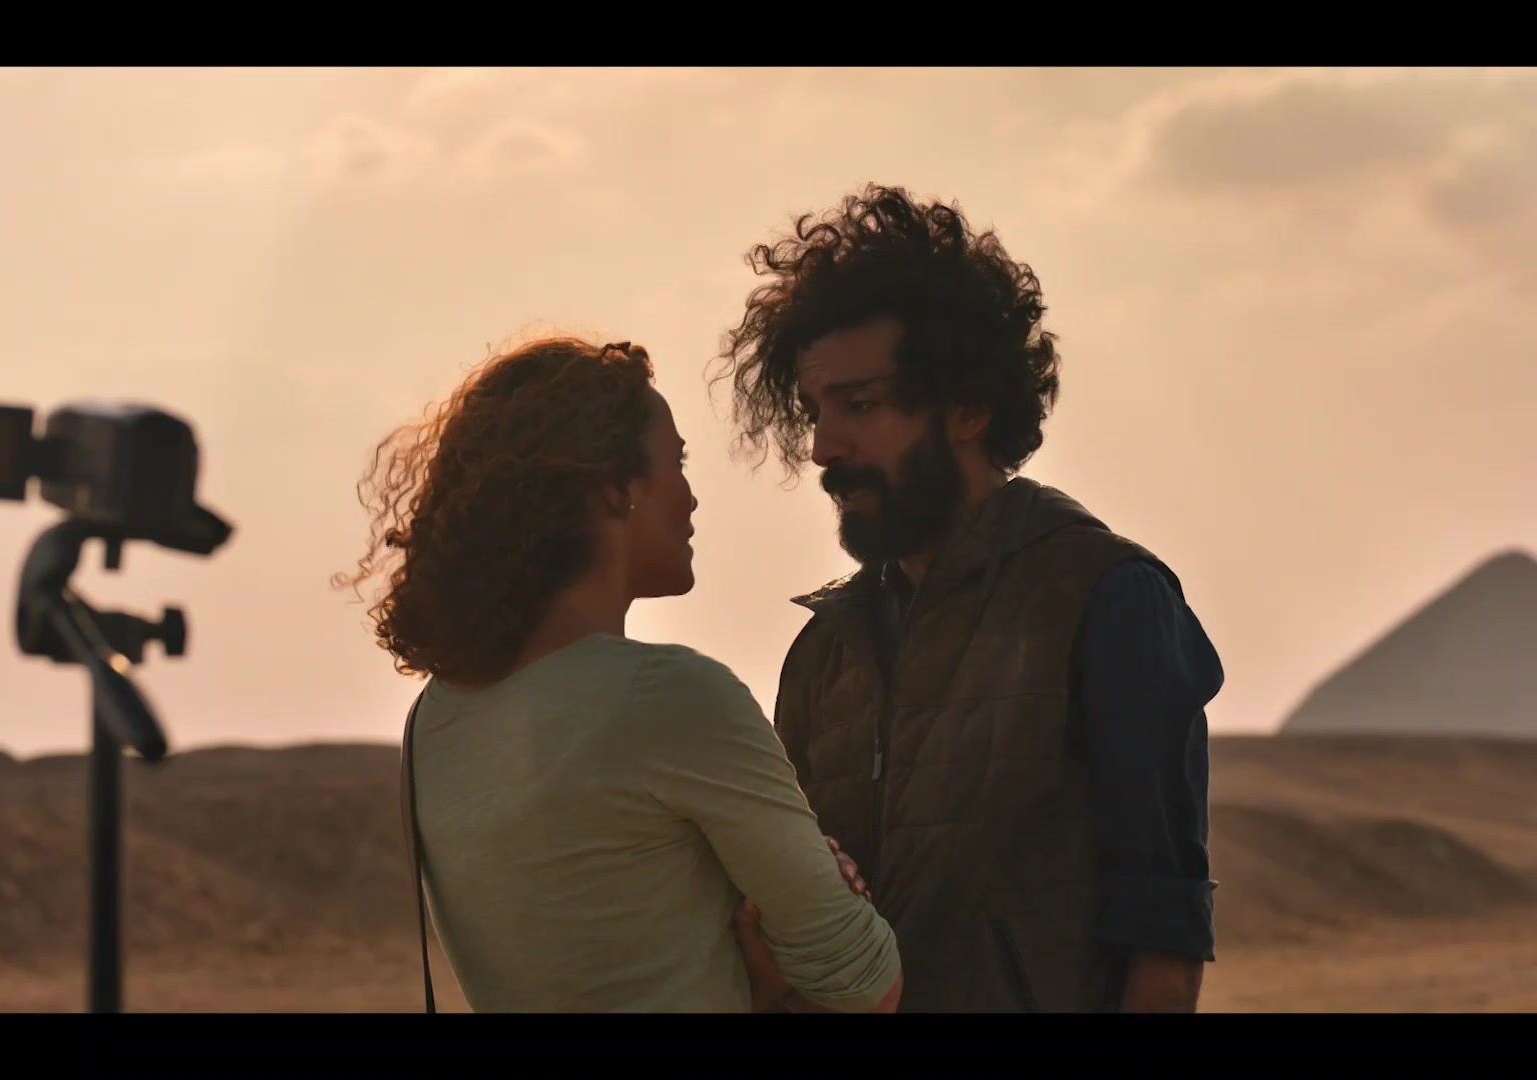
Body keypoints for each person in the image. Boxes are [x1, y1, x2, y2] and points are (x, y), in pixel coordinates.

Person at [709, 184, 1224, 1013]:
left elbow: (1162, 946)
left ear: (970, 407)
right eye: (813, 412)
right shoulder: (826, 650)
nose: (823, 447)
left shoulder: (1106, 600)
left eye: (860, 405)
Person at [333, 335, 903, 1013]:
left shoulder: (434, 720)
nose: (691, 498)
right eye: (676, 464)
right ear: (614, 489)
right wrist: (800, 932)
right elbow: (868, 988)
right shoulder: (670, 699)